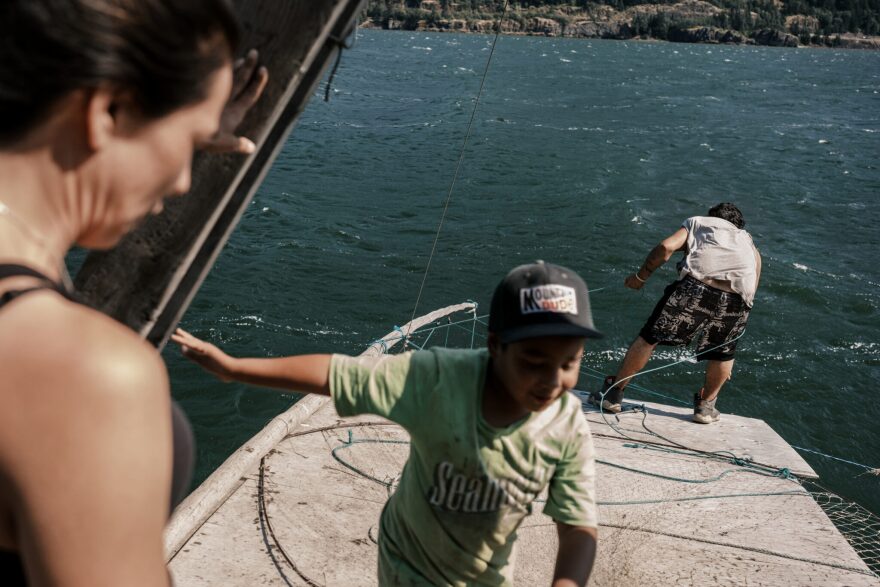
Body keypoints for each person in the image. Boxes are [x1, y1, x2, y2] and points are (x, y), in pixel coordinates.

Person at [0, 1, 268, 584]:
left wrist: (174, 134)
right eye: (191, 144)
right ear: (109, 109)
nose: (182, 181)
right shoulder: (82, 375)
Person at [172, 261, 601, 586]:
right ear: (494, 346)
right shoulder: (437, 380)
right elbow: (340, 374)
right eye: (534, 361)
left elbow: (577, 523)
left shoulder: (567, 427)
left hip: (487, 576)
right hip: (406, 566)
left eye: (570, 363)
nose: (552, 380)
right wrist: (234, 368)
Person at [589, 202, 761, 424]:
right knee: (723, 352)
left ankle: (612, 395)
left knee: (650, 338)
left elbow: (666, 248)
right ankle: (705, 408)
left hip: (696, 287)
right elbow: (754, 281)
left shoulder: (699, 222)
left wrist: (640, 278)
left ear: (713, 215)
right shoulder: (748, 242)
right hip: (739, 298)